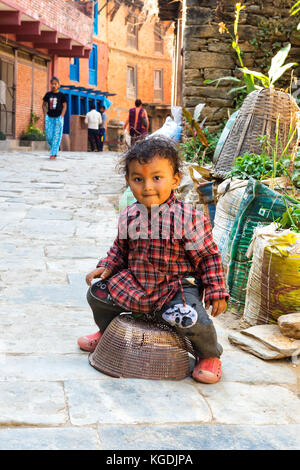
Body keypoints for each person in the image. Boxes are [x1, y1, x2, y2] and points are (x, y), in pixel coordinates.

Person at [77, 136, 229, 384]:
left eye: (156, 178)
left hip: (175, 288)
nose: (147, 186)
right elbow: (120, 249)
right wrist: (107, 265)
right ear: (128, 182)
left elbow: (208, 257)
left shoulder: (188, 218)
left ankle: (209, 355)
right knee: (97, 294)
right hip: (136, 283)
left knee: (193, 319)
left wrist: (216, 289)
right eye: (138, 179)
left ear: (175, 180)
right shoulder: (129, 215)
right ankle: (106, 332)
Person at [42, 76, 67, 160]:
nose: (53, 85)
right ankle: (55, 148)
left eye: (55, 84)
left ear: (58, 85)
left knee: (56, 136)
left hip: (58, 118)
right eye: (52, 84)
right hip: (49, 117)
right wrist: (45, 115)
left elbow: (64, 106)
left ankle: (53, 153)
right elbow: (43, 105)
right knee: (49, 136)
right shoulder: (48, 94)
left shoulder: (61, 95)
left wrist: (61, 117)